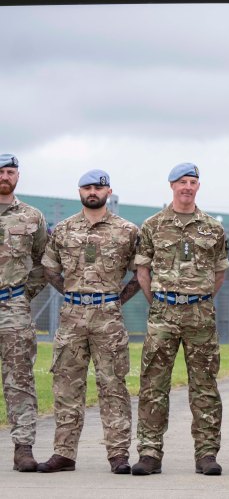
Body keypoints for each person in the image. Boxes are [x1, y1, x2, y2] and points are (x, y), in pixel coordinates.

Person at [36, 170, 140, 474]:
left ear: (108, 192)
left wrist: (117, 300)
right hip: (72, 316)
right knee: (66, 384)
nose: (92, 191)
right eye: (87, 187)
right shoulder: (64, 229)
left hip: (108, 316)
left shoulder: (127, 230)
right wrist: (72, 295)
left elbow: (140, 271)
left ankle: (118, 454)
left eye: (98, 187)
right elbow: (49, 269)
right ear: (79, 191)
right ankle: (64, 453)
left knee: (113, 384)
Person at [131, 163, 229, 476]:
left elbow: (219, 271)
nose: (187, 187)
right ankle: (149, 453)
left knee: (204, 386)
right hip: (163, 313)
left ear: (198, 187)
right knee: (153, 385)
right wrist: (160, 301)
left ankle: (206, 454)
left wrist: (198, 300)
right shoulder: (152, 225)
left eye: (193, 182)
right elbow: (142, 269)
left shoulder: (212, 227)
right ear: (171, 185)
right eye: (182, 182)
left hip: (200, 315)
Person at [0, 154, 47, 472]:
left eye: (10, 171)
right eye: (1, 171)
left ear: (18, 176)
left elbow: (43, 262)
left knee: (20, 379)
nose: (5, 176)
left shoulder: (32, 217)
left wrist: (22, 295)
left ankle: (23, 449)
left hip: (12, 306)